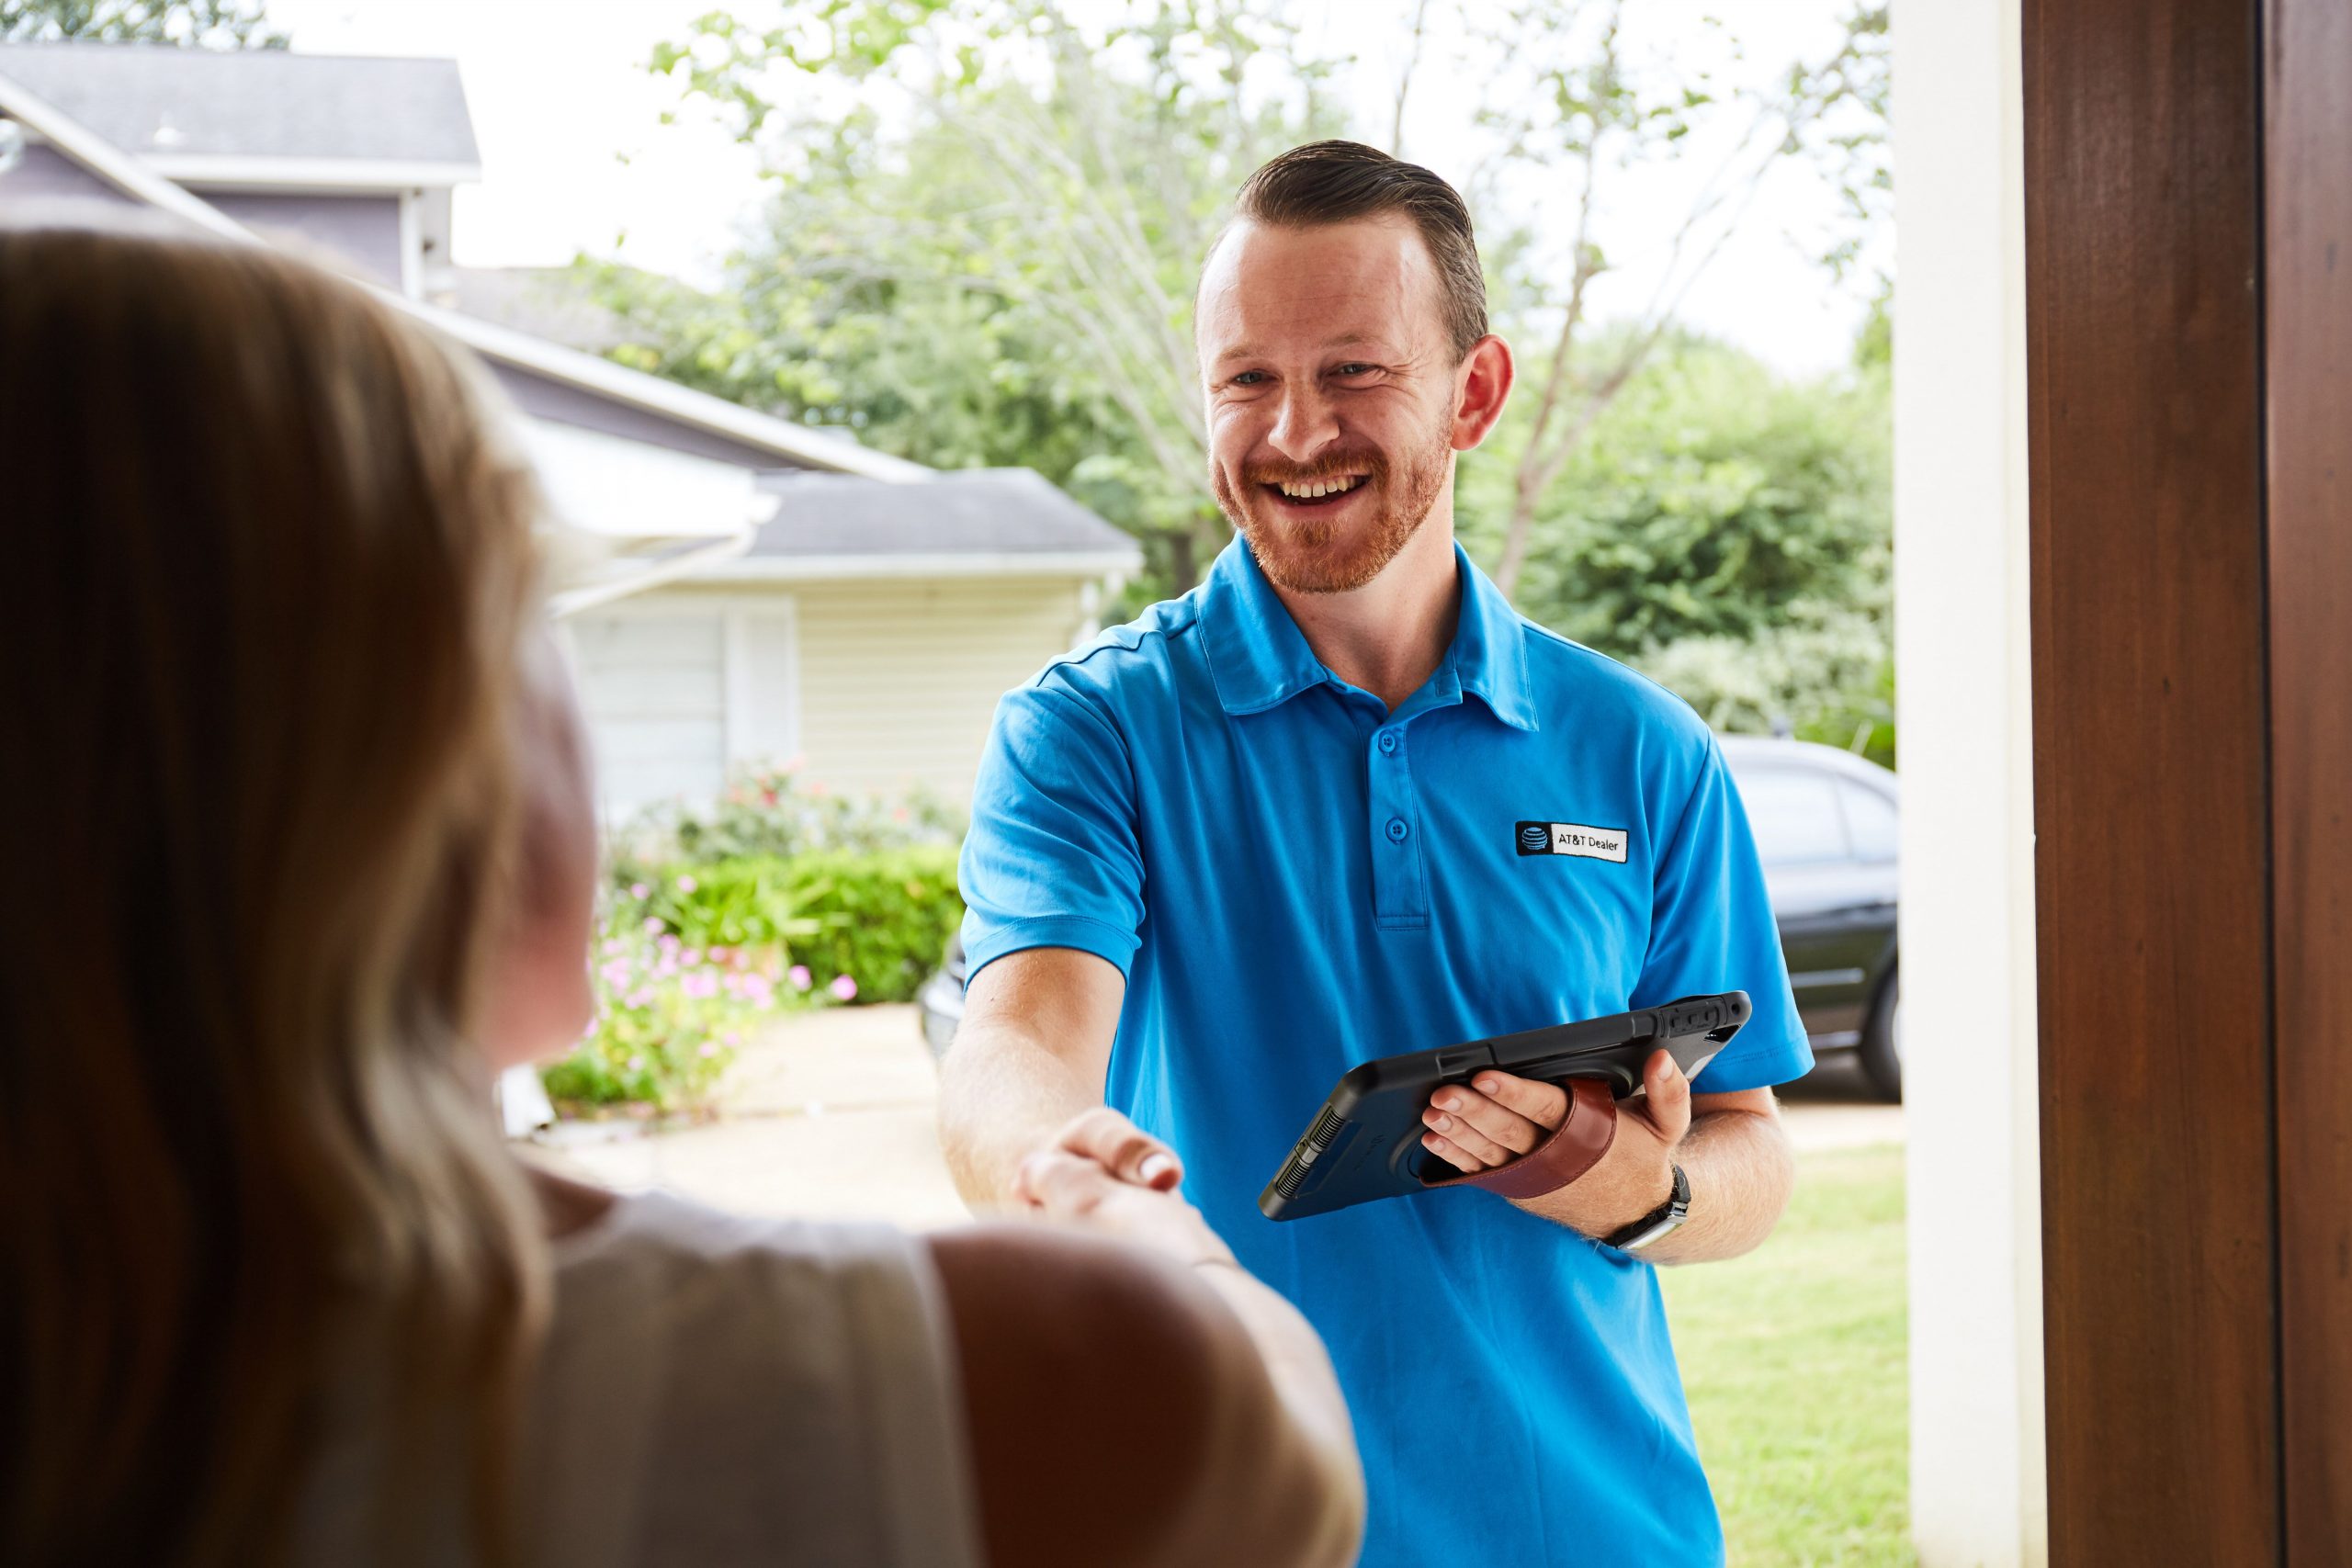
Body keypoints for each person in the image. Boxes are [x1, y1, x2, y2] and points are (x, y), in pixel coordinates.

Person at [0, 215, 1362, 1568]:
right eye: (520, 615)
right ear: (398, 753)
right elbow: (1272, 1446)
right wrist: (1140, 1223)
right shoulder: (770, 1380)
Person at [942, 140, 1813, 1567]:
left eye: (1353, 372)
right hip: (1235, 1523)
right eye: (1246, 381)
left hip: (1595, 1531)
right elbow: (1015, 1037)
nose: (1293, 433)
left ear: (1473, 393)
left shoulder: (1641, 751)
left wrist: (1628, 1184)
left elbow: (1751, 1151)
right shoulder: (1094, 727)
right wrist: (1063, 1170)